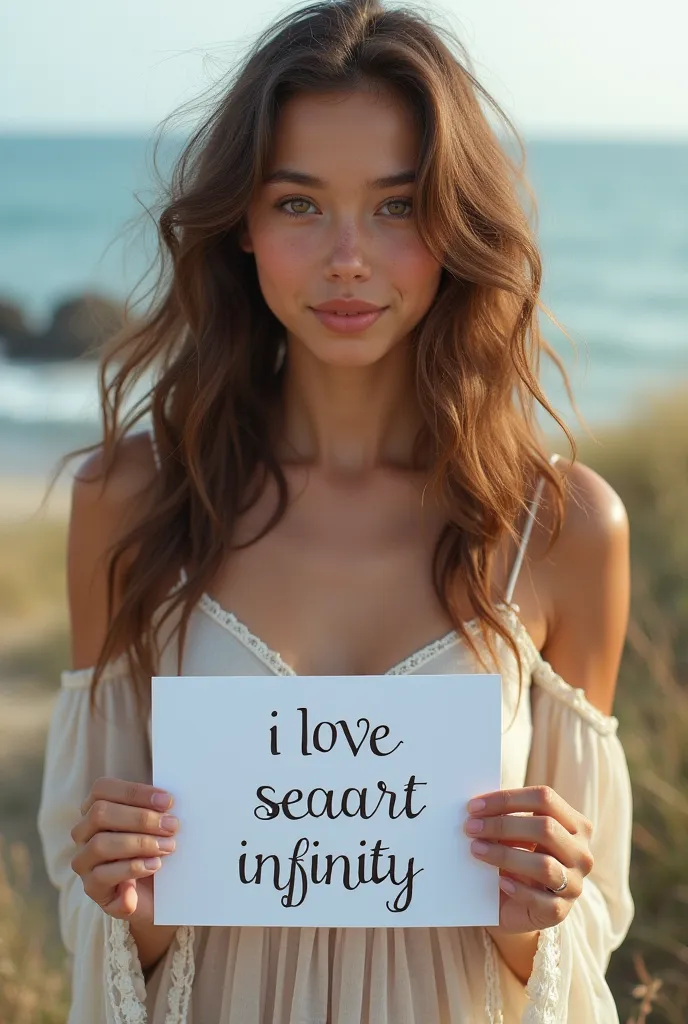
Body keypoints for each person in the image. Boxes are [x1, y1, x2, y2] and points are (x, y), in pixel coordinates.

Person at [37, 1, 634, 1020]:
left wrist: (534, 912)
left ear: (454, 227)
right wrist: (126, 899)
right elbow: (99, 923)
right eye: (300, 204)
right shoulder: (129, 503)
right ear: (241, 227)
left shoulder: (562, 527)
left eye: (397, 207)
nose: (347, 256)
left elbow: (581, 944)